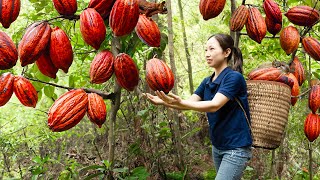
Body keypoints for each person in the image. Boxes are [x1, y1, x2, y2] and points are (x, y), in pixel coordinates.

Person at [144, 33, 252, 179]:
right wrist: (164, 101)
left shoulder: (233, 78)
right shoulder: (207, 81)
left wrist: (180, 102)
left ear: (227, 52)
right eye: (205, 50)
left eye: (212, 49)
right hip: (218, 147)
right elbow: (189, 103)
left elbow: (214, 105)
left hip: (236, 148)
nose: (207, 54)